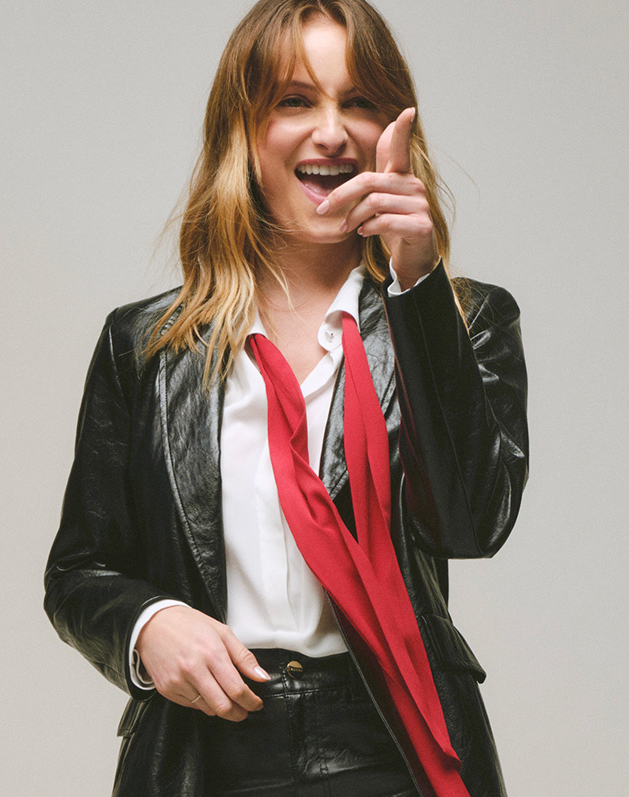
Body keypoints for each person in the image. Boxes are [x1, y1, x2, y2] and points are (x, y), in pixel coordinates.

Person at [43, 1, 528, 794]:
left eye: (358, 101)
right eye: (295, 101)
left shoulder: (462, 319)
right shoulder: (147, 348)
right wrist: (148, 623)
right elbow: (78, 569)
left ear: (391, 129)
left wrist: (417, 284)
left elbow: (472, 522)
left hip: (392, 757)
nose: (331, 132)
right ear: (244, 131)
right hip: (207, 756)